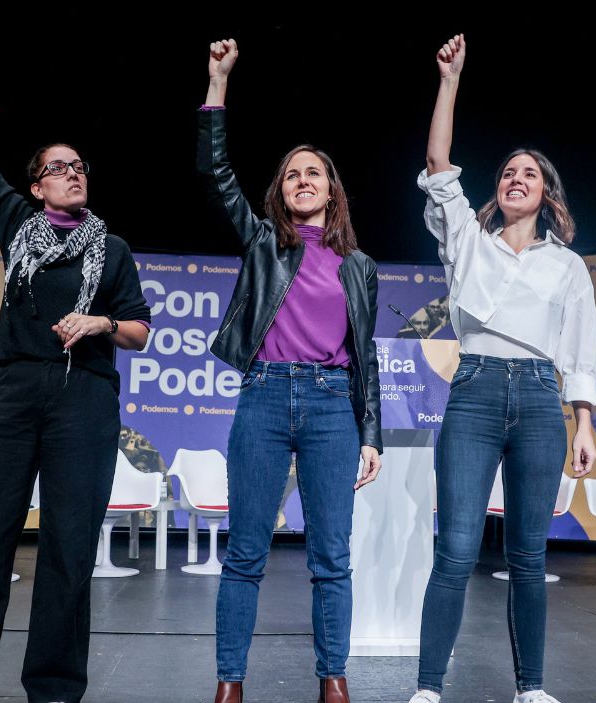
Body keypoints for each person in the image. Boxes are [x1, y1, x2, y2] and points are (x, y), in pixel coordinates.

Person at [0, 52, 151, 703]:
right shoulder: (19, 225)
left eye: (79, 167)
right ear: (38, 186)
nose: (72, 175)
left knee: (69, 552)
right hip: (14, 392)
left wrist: (99, 323)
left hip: (85, 399)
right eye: (58, 168)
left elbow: (139, 330)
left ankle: (52, 689)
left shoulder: (115, 249)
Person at [407, 33, 596, 703]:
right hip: (477, 390)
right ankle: (430, 686)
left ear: (546, 195)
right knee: (457, 546)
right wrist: (451, 80)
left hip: (543, 400)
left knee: (527, 554)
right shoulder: (467, 240)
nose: (516, 178)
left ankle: (532, 687)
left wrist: (583, 424)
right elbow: (438, 163)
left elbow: (578, 350)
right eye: (508, 172)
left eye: (530, 174)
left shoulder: (567, 265)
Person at [199, 38, 383, 703]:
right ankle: (229, 681)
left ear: (332, 190)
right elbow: (215, 170)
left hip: (335, 405)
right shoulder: (262, 243)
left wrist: (372, 435)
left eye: (316, 172)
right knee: (246, 551)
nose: (304, 179)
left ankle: (333, 678)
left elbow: (366, 359)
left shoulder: (358, 267)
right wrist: (218, 81)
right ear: (281, 190)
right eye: (293, 173)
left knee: (331, 555)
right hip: (266, 400)